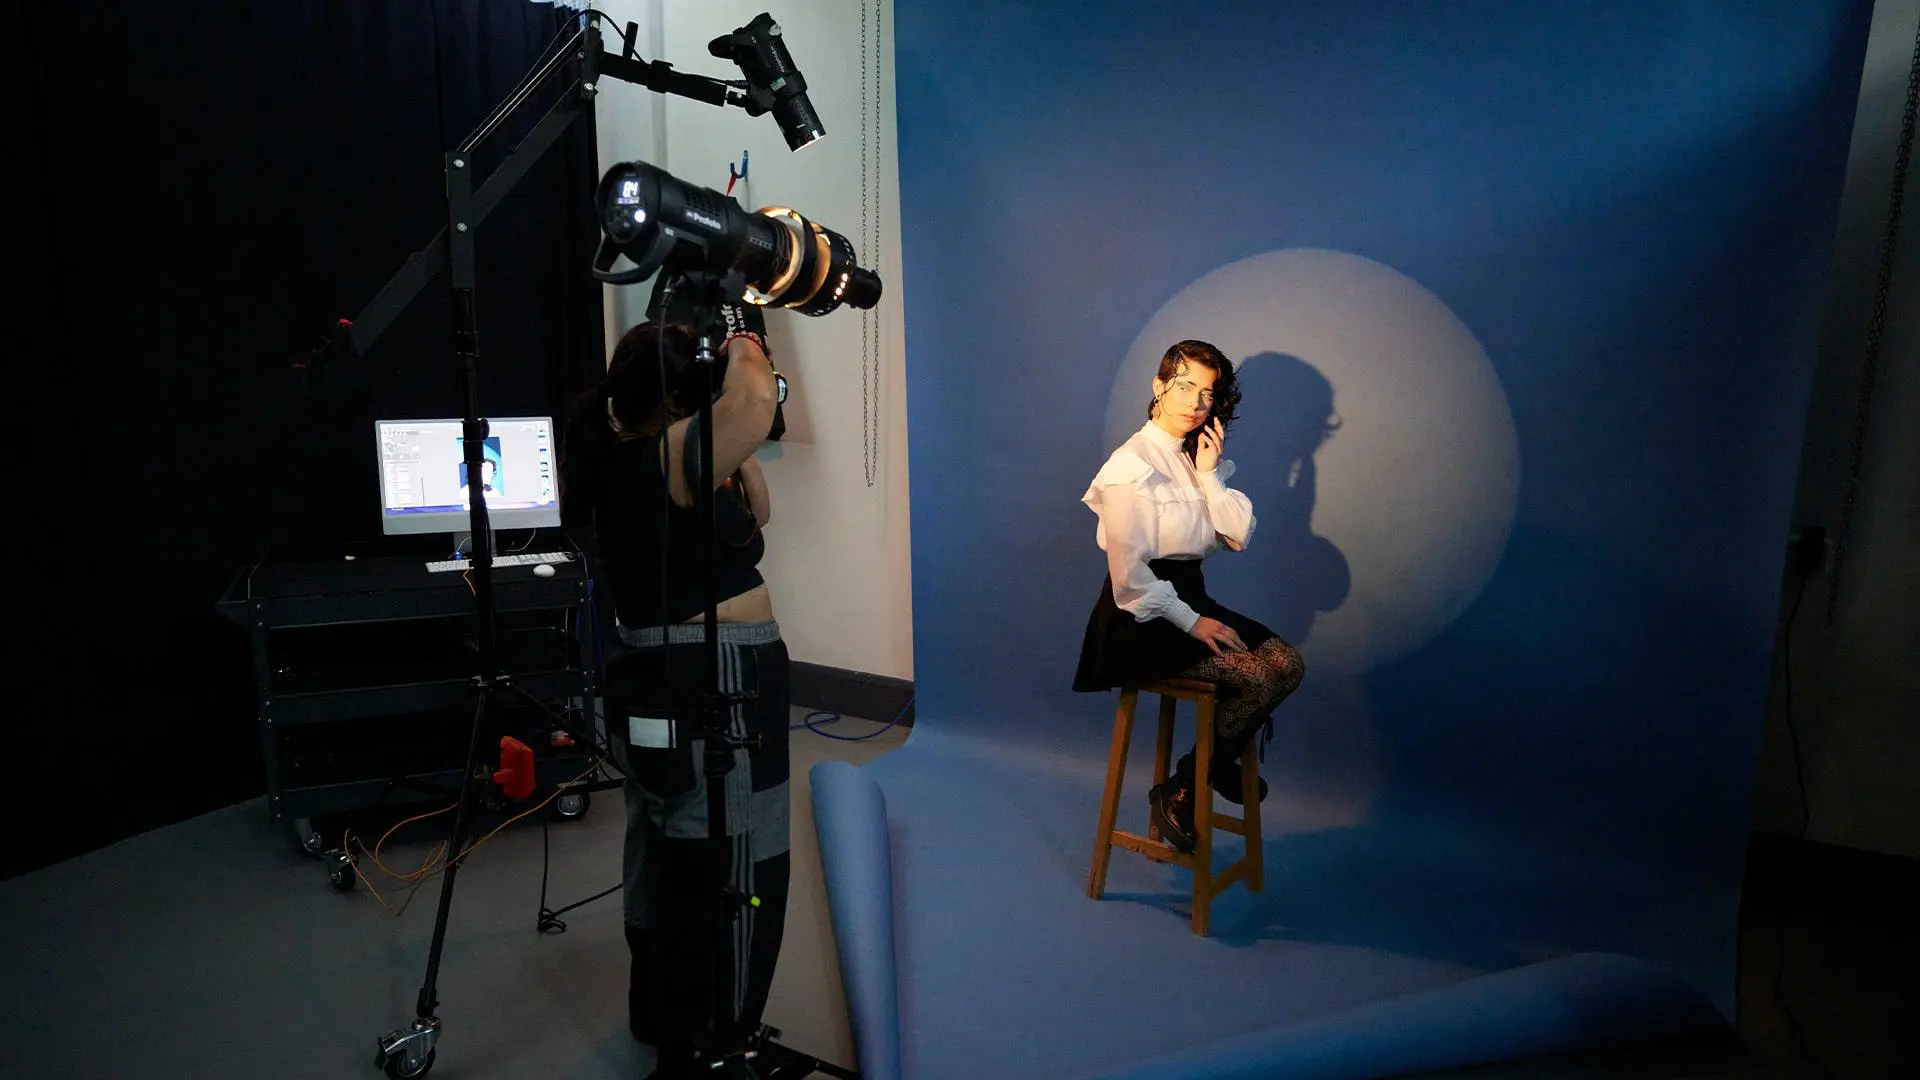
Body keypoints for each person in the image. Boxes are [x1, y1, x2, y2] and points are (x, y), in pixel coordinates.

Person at [560, 306, 785, 1079]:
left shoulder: (638, 455)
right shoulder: (666, 454)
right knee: (732, 853)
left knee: (661, 843)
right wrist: (743, 329)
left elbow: (756, 512)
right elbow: (756, 402)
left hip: (654, 674)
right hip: (717, 675)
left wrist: (717, 432)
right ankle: (716, 1038)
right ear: (684, 391)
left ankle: (664, 1018)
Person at [1072, 339, 1306, 854]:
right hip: (1141, 618)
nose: (1194, 402)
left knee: (1288, 664)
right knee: (1257, 676)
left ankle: (1211, 766)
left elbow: (1237, 537)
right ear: (1158, 387)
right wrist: (1190, 621)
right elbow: (1129, 575)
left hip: (1191, 597)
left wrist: (1207, 475)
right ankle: (1184, 788)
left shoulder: (1193, 460)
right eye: (1183, 387)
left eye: (1207, 393)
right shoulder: (1130, 465)